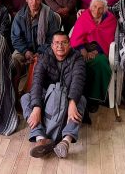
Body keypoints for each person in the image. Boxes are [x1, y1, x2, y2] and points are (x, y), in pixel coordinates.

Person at [21, 31, 86, 159]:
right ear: (52, 46)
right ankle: (40, 138)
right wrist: (36, 107)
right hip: (47, 98)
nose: (60, 46)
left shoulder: (77, 58)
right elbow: (37, 82)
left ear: (70, 44)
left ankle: (66, 141)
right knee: (25, 98)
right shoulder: (44, 58)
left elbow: (78, 81)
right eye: (56, 43)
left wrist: (72, 103)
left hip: (67, 97)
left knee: (81, 100)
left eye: (64, 43)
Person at [11, 0, 60, 95]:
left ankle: (31, 94)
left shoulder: (49, 15)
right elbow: (16, 38)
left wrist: (40, 52)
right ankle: (13, 93)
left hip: (44, 50)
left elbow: (53, 38)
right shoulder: (20, 16)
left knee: (39, 62)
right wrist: (26, 51)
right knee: (14, 61)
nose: (34, 2)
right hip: (24, 49)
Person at [70, 0, 117, 112]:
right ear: (90, 7)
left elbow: (108, 39)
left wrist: (96, 52)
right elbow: (76, 36)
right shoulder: (84, 16)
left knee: (101, 63)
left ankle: (94, 99)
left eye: (101, 8)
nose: (97, 10)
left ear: (105, 9)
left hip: (99, 51)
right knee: (77, 63)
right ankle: (78, 96)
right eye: (95, 7)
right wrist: (83, 50)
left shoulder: (110, 19)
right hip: (81, 49)